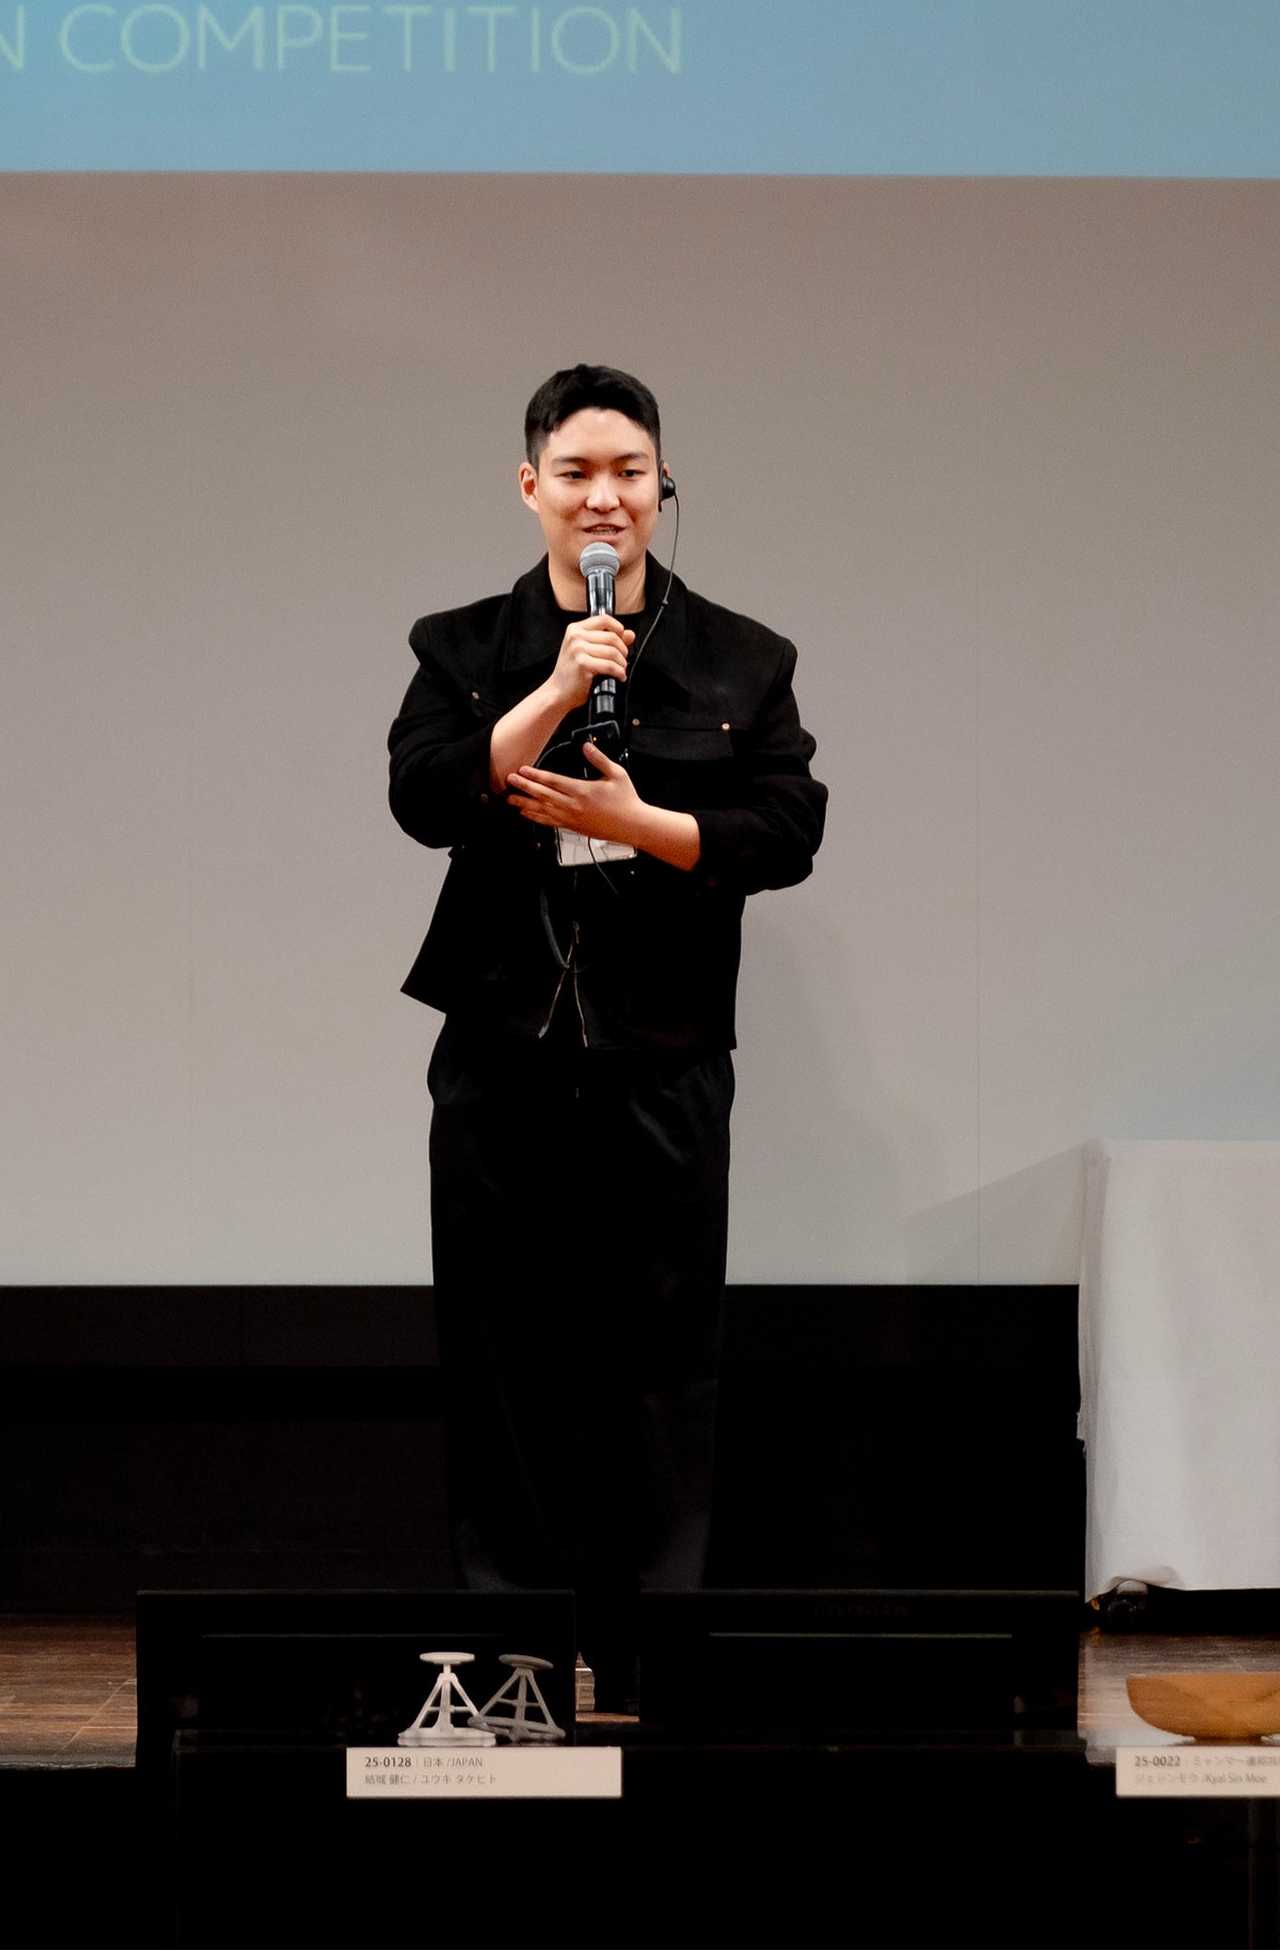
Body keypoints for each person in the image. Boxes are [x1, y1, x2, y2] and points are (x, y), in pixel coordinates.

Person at [386, 364, 827, 1707]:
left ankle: (649, 1659)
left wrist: (643, 825)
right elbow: (423, 795)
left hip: (667, 1053)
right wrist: (550, 690)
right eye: (575, 472)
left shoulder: (744, 657)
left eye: (629, 471)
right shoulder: (462, 646)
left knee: (662, 1362)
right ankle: (514, 1659)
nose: (604, 497)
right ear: (531, 487)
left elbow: (787, 828)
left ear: (662, 483)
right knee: (502, 1359)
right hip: (503, 1050)